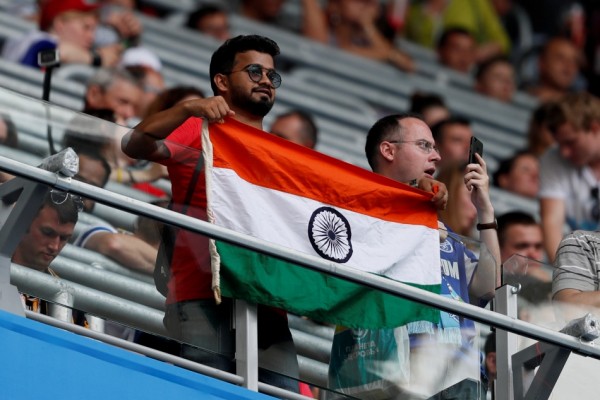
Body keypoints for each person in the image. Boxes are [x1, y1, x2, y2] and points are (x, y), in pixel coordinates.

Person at [121, 34, 301, 392]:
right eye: (254, 71)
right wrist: (188, 109)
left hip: (265, 301)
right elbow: (134, 144)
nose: (266, 81)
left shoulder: (280, 152)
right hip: (201, 292)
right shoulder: (197, 127)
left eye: (272, 75)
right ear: (222, 81)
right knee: (207, 394)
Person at [358, 113, 499, 398]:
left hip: (459, 373)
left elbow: (489, 287)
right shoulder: (360, 211)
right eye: (424, 146)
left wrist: (485, 210)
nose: (436, 156)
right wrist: (413, 191)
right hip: (398, 370)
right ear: (388, 150)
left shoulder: (444, 232)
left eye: (435, 147)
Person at [538, 92, 600, 262]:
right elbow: (552, 223)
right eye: (560, 144)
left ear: (595, 128)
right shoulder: (552, 158)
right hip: (577, 263)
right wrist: (565, 273)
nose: (564, 153)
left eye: (571, 142)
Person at [12, 191, 80, 314]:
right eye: (48, 233)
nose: (55, 246)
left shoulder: (64, 296)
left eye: (64, 238)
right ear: (23, 222)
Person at [1, 0, 122, 68]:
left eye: (93, 30)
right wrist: (97, 59)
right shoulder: (41, 40)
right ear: (60, 23)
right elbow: (42, 57)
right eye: (86, 27)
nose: (92, 37)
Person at [405, 0, 510, 64]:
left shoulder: (475, 3)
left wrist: (472, 54)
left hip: (461, 77)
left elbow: (502, 42)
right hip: (420, 67)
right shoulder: (415, 5)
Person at [321, 0, 415, 72]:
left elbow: (408, 65)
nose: (364, 5)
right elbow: (343, 51)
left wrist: (368, 26)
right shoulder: (324, 27)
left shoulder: (364, 38)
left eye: (369, 2)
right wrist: (387, 55)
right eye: (358, 1)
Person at [526, 37, 582, 103]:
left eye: (574, 61)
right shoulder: (520, 99)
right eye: (560, 58)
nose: (569, 66)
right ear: (542, 63)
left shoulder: (581, 106)